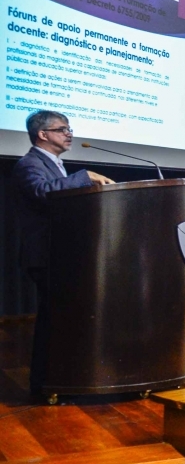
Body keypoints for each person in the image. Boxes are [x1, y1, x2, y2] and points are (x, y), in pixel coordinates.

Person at [7, 110, 114, 399]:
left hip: (63, 255)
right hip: (46, 256)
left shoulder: (54, 164)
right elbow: (43, 192)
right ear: (43, 134)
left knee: (64, 320)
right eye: (62, 129)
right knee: (53, 322)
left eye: (69, 128)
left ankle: (66, 379)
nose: (70, 134)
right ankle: (44, 387)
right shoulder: (29, 164)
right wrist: (85, 176)